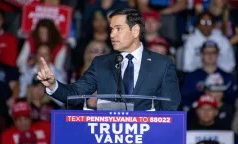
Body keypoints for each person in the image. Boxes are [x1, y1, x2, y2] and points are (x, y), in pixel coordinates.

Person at [37, 8, 181, 111]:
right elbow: (76, 93)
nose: (112, 35)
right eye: (111, 29)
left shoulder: (162, 64)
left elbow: (171, 107)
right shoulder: (101, 63)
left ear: (135, 31)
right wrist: (53, 85)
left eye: (118, 29)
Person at [181, 40, 237, 107]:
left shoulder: (228, 78)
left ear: (218, 54)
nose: (210, 55)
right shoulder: (190, 77)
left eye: (213, 52)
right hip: (197, 112)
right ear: (201, 54)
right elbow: (185, 100)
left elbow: (233, 101)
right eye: (207, 52)